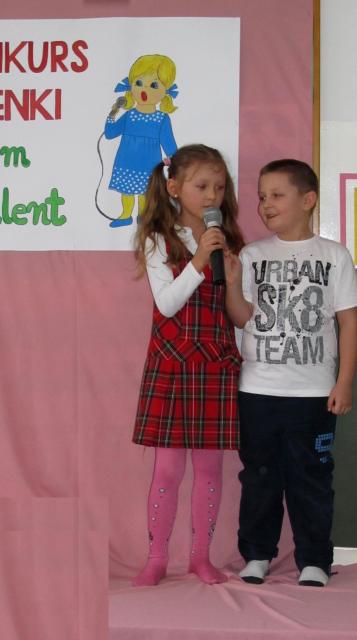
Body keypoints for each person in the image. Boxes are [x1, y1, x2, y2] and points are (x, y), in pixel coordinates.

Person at [224, 159, 357, 587]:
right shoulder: (253, 255)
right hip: (258, 390)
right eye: (262, 196)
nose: (265, 204)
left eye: (277, 195)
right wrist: (232, 284)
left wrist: (343, 382)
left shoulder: (334, 256)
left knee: (311, 477)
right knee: (259, 476)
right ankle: (256, 554)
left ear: (308, 200)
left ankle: (314, 559)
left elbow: (349, 322)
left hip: (313, 392)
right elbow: (241, 317)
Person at [131, 144, 244, 586]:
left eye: (219, 187)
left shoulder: (228, 240)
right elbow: (167, 303)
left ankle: (201, 557)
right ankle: (157, 557)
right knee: (168, 469)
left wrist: (232, 281)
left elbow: (236, 314)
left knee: (210, 470)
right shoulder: (159, 238)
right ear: (175, 188)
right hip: (174, 366)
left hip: (216, 364)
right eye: (202, 186)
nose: (212, 195)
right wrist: (198, 260)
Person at [104, 54, 178, 228]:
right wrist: (113, 112)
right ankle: (125, 215)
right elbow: (110, 133)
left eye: (154, 85)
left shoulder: (161, 119)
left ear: (165, 92)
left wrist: (174, 162)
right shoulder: (129, 115)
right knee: (126, 191)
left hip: (149, 164)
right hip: (126, 161)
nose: (144, 90)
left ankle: (143, 216)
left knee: (145, 193)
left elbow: (169, 144)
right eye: (138, 83)